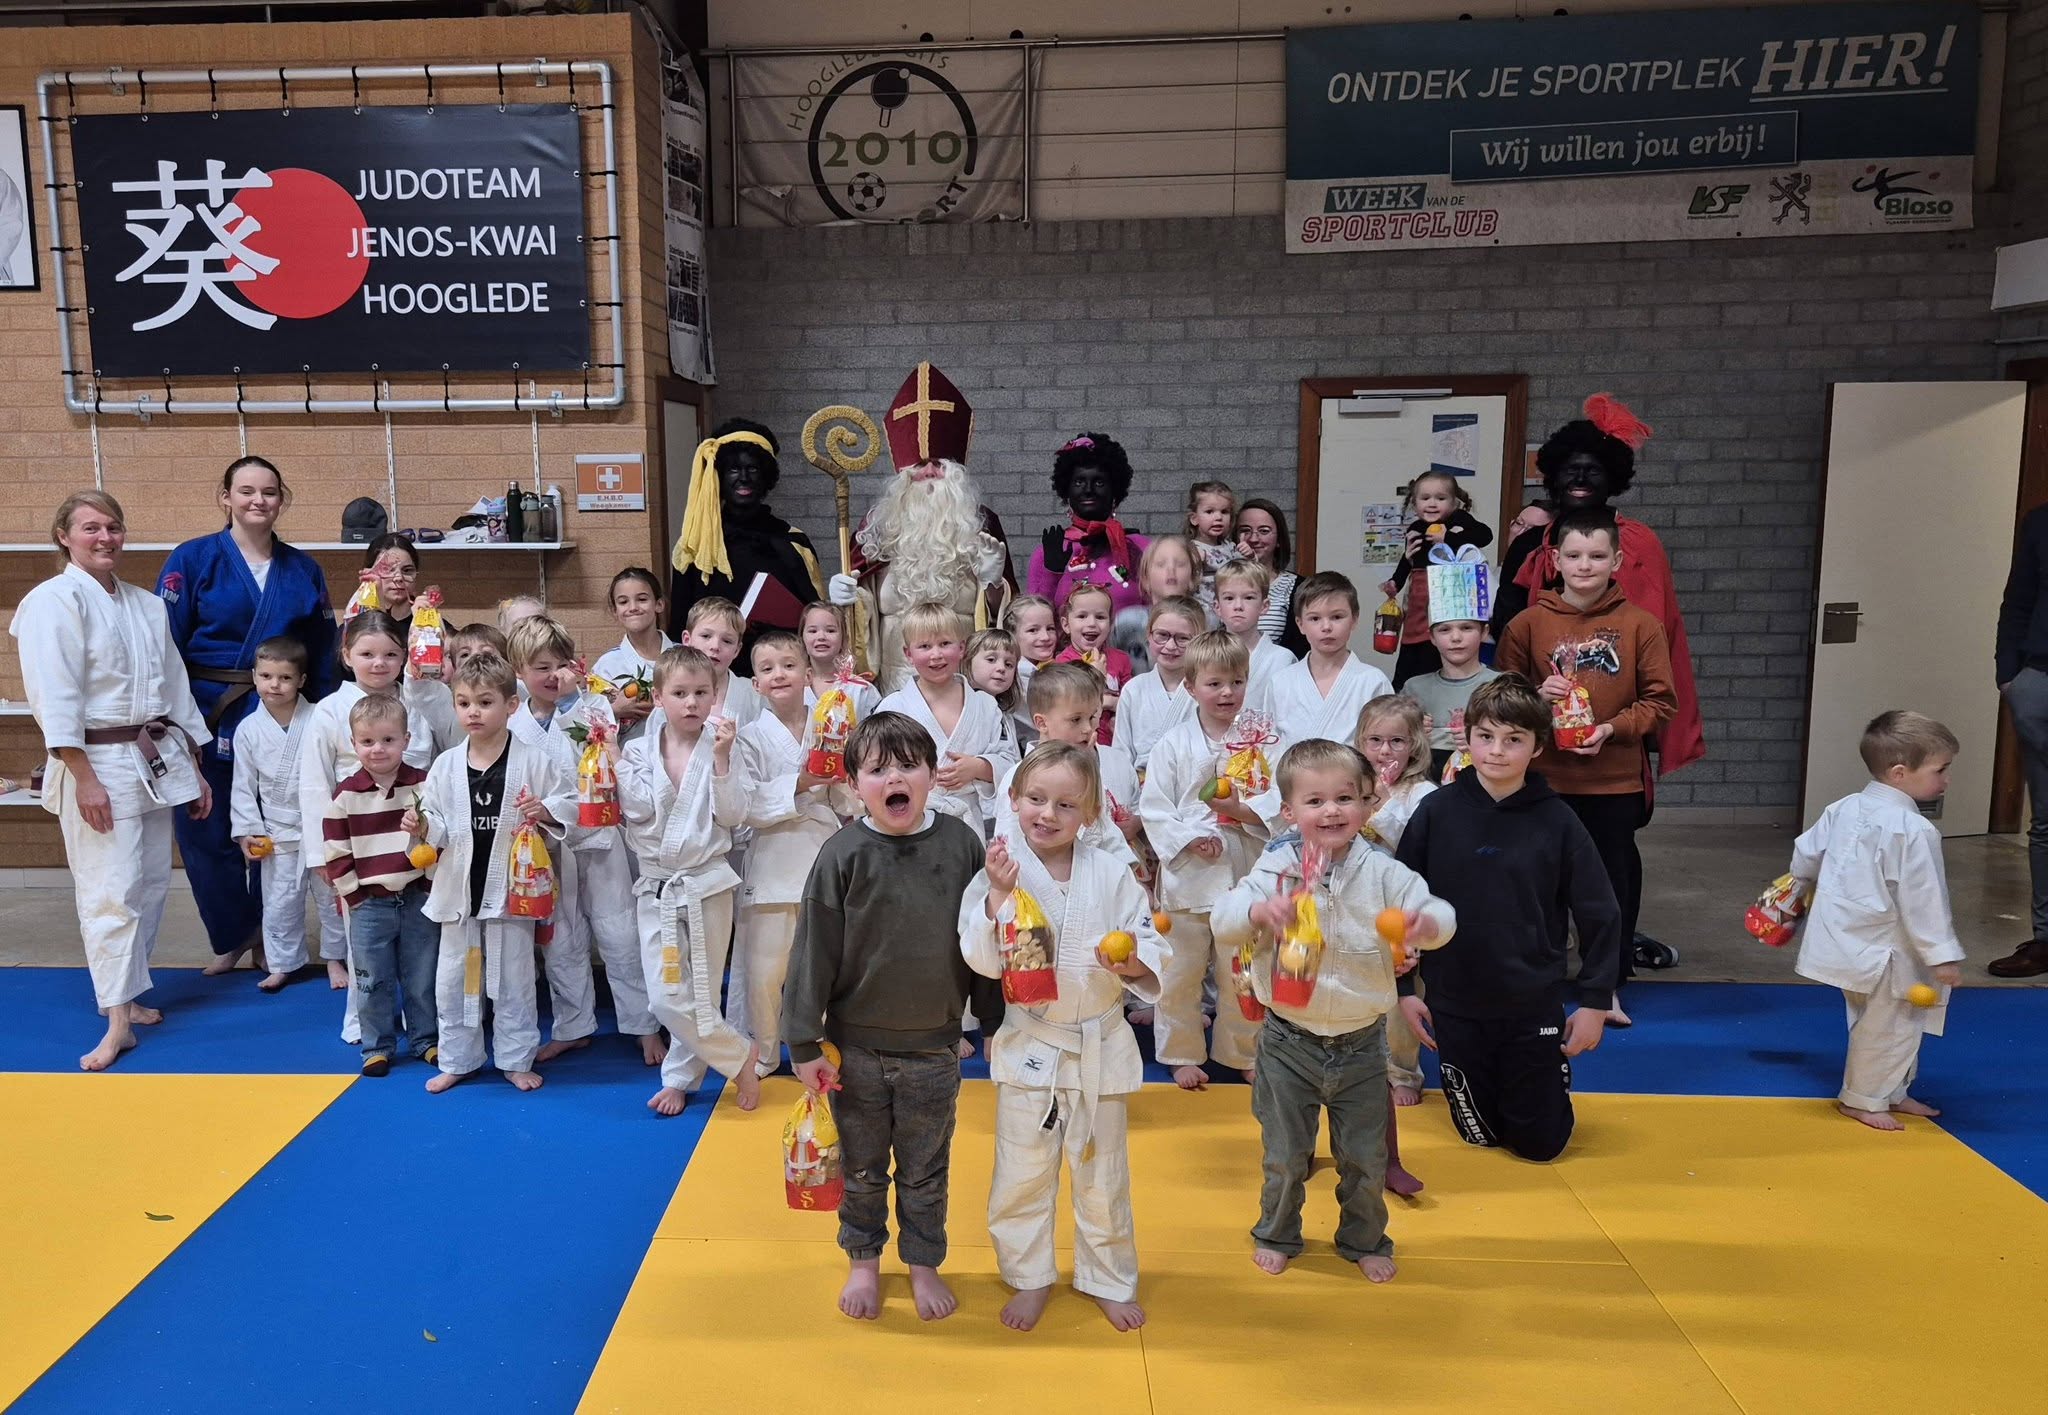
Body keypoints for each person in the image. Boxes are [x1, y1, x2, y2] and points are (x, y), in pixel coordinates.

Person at [1214, 739, 1454, 1281]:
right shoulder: (1276, 868)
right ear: (1289, 811)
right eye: (1315, 801)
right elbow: (1224, 919)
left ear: (1367, 805)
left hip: (1361, 1043)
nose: (1331, 811)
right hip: (1287, 1041)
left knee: (1365, 1158)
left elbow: (1437, 909)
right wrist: (1258, 912)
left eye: (1345, 798)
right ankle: (1276, 1232)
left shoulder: (1385, 872)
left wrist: (1426, 925)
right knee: (1284, 1154)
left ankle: (1365, 1239)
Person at [782, 712, 988, 1323]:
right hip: (856, 1052)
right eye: (877, 770)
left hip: (934, 1049)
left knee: (926, 1170)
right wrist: (803, 1041)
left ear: (933, 774)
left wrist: (997, 1024)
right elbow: (812, 951)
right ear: (854, 784)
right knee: (862, 1167)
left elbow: (983, 941)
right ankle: (864, 1260)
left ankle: (923, 1263)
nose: (894, 778)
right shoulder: (842, 854)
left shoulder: (961, 845)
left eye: (908, 766)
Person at [963, 743, 1164, 1331]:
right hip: (1032, 1044)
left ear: (1090, 813)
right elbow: (979, 959)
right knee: (1020, 1175)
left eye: (1066, 804)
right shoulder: (1001, 869)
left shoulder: (1111, 872)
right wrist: (998, 896)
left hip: (1099, 1044)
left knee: (1105, 1177)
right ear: (1013, 799)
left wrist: (1132, 964)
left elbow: (1149, 940)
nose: (1047, 814)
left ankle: (1108, 1278)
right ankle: (1028, 1276)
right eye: (1036, 799)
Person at [13, 491, 212, 1071]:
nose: (105, 538)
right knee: (111, 890)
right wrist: (83, 777)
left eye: (114, 527)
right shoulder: (52, 602)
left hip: (151, 757)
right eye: (91, 528)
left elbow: (175, 688)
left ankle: (127, 995)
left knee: (149, 884)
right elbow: (54, 696)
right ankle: (117, 1020)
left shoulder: (147, 605)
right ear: (64, 536)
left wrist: (194, 766)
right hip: (95, 762)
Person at [1394, 676, 1620, 1162]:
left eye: (1513, 739)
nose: (1497, 751)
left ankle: (1546, 1081)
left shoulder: (1558, 821)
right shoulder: (1436, 812)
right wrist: (1404, 990)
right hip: (1455, 1001)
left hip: (1530, 1001)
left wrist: (1595, 1001)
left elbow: (1600, 911)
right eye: (1486, 736)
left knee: (1540, 1146)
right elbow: (1400, 906)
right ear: (1467, 737)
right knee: (1480, 1135)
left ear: (1537, 747)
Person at [1496, 507, 1676, 1025]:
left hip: (1613, 783)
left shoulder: (1641, 625)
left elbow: (1661, 702)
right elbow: (1501, 698)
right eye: (1574, 555)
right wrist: (1535, 695)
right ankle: (1542, 985)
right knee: (1540, 889)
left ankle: (1606, 987)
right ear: (1555, 559)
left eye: (1597, 556)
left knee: (1609, 892)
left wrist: (1610, 730)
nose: (1584, 566)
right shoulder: (1528, 624)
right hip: (1543, 781)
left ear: (1616, 561)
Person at [157, 456, 336, 973]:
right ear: (226, 497)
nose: (258, 500)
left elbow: (323, 649)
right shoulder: (192, 559)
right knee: (204, 827)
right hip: (207, 712)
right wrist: (172, 720)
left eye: (269, 492)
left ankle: (275, 939)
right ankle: (236, 933)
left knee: (279, 829)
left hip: (284, 713)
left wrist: (325, 718)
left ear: (281, 500)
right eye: (246, 490)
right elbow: (164, 644)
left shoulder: (303, 569)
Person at [1491, 395, 1705, 815]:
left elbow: (1655, 630)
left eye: (1593, 470)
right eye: (1571, 469)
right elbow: (1507, 621)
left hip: (1616, 718)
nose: (1581, 478)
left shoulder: (1638, 542)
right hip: (1542, 722)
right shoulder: (1532, 542)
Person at [1787, 711, 1966, 1130]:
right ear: (1900, 773)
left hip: (1845, 940)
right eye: (1940, 770)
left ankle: (1892, 1091)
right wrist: (1940, 954)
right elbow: (1924, 899)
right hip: (1889, 950)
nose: (1946, 780)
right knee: (1893, 1025)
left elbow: (1806, 854)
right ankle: (1863, 1099)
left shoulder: (1842, 808)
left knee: (1875, 1019)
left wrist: (1795, 889)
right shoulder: (1914, 829)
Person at [408, 651, 574, 1094]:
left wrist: (545, 810)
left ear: (510, 705)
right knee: (452, 982)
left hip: (512, 890)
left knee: (514, 981)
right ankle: (458, 1059)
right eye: (464, 703)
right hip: (459, 890)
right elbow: (436, 822)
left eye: (484, 702)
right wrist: (421, 825)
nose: (473, 712)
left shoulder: (534, 760)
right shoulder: (445, 765)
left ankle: (516, 1059)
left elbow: (568, 804)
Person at [508, 616, 658, 1067]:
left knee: (621, 933)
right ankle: (572, 1027)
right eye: (540, 668)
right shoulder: (513, 721)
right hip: (547, 844)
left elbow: (598, 753)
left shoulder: (594, 706)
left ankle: (644, 1026)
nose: (553, 676)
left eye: (560, 665)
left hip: (598, 835)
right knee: (560, 942)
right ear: (519, 671)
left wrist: (573, 700)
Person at [299, 610, 456, 1041]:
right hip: (358, 838)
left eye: (390, 654)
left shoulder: (420, 700)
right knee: (365, 941)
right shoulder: (329, 710)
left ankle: (421, 1021)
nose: (379, 663)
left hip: (418, 833)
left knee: (422, 940)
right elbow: (314, 785)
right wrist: (321, 855)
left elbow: (447, 758)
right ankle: (362, 1020)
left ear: (405, 656)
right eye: (367, 654)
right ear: (346, 655)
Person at [618, 645, 760, 1116]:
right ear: (659, 697)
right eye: (679, 693)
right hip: (658, 884)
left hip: (707, 883)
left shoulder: (724, 745)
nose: (691, 702)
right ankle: (739, 1055)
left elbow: (734, 815)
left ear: (715, 695)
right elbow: (636, 811)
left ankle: (679, 1078)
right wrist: (610, 760)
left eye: (701, 692)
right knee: (665, 997)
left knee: (702, 993)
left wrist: (721, 761)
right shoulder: (636, 750)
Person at [1139, 630, 1279, 1089]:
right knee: (1180, 971)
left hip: (1245, 870)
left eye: (1236, 682)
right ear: (1191, 686)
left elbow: (1282, 800)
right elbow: (1154, 808)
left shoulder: (1263, 741)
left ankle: (1242, 1051)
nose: (1227, 693)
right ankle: (1180, 1052)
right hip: (1189, 876)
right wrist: (1190, 838)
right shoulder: (1173, 744)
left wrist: (1243, 812)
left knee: (1243, 970)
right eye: (1214, 683)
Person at [831, 362, 1017, 693]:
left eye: (939, 464)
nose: (929, 472)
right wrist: (847, 600)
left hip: (964, 679)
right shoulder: (879, 525)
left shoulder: (982, 522)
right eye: (919, 464)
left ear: (956, 471)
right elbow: (859, 616)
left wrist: (992, 585)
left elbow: (1006, 618)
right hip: (894, 681)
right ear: (903, 474)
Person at [735, 630, 853, 1078]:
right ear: (756, 684)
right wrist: (802, 782)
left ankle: (818, 1047)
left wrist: (845, 775)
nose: (779, 675)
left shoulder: (832, 723)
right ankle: (766, 1052)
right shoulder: (749, 737)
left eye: (788, 665)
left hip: (821, 853)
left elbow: (846, 801)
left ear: (808, 674)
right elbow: (746, 805)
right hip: (771, 860)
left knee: (823, 965)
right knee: (765, 973)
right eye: (767, 669)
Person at [319, 693, 437, 1077]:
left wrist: (430, 885)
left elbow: (439, 839)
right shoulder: (345, 795)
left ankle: (426, 1040)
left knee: (422, 976)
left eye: (388, 739)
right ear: (354, 744)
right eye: (367, 741)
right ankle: (377, 1046)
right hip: (369, 903)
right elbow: (336, 851)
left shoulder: (423, 785)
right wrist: (353, 896)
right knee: (372, 979)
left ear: (406, 739)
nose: (378, 749)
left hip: (417, 897)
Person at [667, 417, 826, 660]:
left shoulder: (792, 542)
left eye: (752, 469)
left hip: (777, 668)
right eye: (733, 469)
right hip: (710, 673)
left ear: (766, 477)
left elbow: (814, 619)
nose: (743, 477)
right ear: (719, 477)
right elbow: (679, 626)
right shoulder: (695, 546)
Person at [1354, 693, 1438, 1124]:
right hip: (1355, 901)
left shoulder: (1423, 793)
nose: (1385, 751)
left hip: (1400, 906)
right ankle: (1356, 1070)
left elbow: (1415, 845)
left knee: (1401, 992)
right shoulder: (1350, 786)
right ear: (1360, 743)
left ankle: (1403, 1071)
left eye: (1396, 741)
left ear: (1414, 746)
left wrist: (1383, 803)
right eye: (1375, 741)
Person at [876, 601, 1018, 837]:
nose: (936, 655)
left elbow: (1011, 763)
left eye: (945, 644)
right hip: (910, 823)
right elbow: (875, 768)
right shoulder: (893, 707)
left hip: (968, 823)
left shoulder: (985, 705)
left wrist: (979, 767)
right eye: (924, 646)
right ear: (908, 654)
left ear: (961, 648)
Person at [994, 661, 1143, 872]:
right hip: (1032, 882)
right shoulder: (1018, 776)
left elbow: (1107, 835)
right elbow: (1008, 843)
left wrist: (1123, 874)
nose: (1087, 728)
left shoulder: (1084, 774)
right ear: (1042, 723)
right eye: (1076, 720)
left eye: (1091, 718)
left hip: (1092, 881)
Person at [229, 637, 316, 992]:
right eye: (266, 676)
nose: (274, 685)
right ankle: (282, 964)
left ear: (302, 680)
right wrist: (248, 830)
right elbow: (243, 785)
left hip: (319, 822)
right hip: (277, 830)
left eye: (285, 677)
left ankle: (338, 959)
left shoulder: (319, 718)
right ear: (254, 676)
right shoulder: (248, 729)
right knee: (280, 903)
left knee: (333, 899)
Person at [1993, 503, 2048, 977]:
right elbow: (2018, 602)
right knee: (2046, 825)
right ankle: (2046, 941)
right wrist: (2010, 677)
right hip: (2041, 683)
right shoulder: (2042, 521)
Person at [1380, 471, 1493, 688]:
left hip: (1449, 594)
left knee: (1439, 646)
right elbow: (1407, 561)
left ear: (1454, 503)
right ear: (1414, 504)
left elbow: (1485, 535)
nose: (1432, 504)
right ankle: (1403, 689)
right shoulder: (1415, 529)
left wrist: (1448, 538)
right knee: (1411, 650)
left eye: (1440, 498)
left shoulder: (1458, 520)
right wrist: (1395, 582)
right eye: (1425, 498)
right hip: (1419, 598)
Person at [1030, 433, 1150, 622]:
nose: (1088, 490)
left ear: (1115, 492)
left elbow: (1162, 612)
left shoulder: (1141, 548)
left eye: (1099, 482)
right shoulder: (1048, 552)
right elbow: (1034, 622)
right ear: (1067, 492)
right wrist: (1052, 572)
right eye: (1079, 482)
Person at [1266, 573, 1394, 749]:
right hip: (1290, 767)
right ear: (1300, 624)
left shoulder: (1373, 681)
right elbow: (1268, 745)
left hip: (1354, 767)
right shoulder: (1280, 681)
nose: (1326, 627)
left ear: (1354, 620)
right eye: (1315, 618)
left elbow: (1386, 746)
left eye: (1336, 617)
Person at [1109, 596, 1203, 774]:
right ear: (1148, 635)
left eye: (1183, 638)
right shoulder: (1133, 690)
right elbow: (1121, 755)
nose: (1170, 645)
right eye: (1162, 635)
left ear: (1199, 640)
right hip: (1141, 786)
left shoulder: (1207, 690)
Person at [1404, 613, 1499, 781]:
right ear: (1432, 637)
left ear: (1484, 632)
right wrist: (1413, 734)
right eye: (1444, 630)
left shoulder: (1501, 686)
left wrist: (1482, 737)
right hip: (1423, 783)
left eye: (1466, 628)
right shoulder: (1414, 688)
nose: (1456, 638)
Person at [591, 567, 673, 745]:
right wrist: (615, 710)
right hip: (626, 758)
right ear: (614, 610)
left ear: (659, 604)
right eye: (623, 602)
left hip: (681, 755)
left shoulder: (684, 655)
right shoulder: (606, 666)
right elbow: (589, 727)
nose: (633, 608)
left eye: (642, 599)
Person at [1111, 534, 1203, 674]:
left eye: (1180, 564)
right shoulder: (1127, 623)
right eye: (1161, 564)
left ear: (1193, 577)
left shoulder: (1208, 622)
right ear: (1145, 579)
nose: (1171, 570)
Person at [1214, 559, 1296, 715]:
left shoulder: (1282, 659)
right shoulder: (1204, 655)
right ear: (1217, 607)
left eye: (1249, 598)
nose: (1238, 606)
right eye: (1229, 598)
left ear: (1264, 606)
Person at [1054, 582, 1132, 745]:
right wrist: (1106, 697)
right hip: (1078, 744)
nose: (1091, 623)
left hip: (1116, 744)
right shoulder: (1062, 664)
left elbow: (1131, 702)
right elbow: (1070, 706)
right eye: (1082, 616)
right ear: (1066, 625)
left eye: (1100, 617)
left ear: (1110, 624)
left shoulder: (1121, 659)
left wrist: (1115, 705)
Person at [1235, 497, 1305, 655]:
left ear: (1279, 539)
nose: (1253, 539)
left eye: (1264, 531)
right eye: (1245, 530)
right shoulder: (1218, 582)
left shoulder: (1299, 587)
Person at [682, 595, 763, 731]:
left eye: (727, 641)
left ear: (737, 650)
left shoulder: (754, 695)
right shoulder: (670, 688)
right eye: (706, 636)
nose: (715, 646)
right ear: (687, 640)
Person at [1186, 480, 1239, 605]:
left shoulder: (1231, 547)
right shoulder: (1191, 549)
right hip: (1202, 609)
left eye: (1224, 512)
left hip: (1229, 608)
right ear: (1194, 518)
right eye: (1209, 511)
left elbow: (1247, 574)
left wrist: (1250, 556)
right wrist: (1194, 564)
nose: (1218, 517)